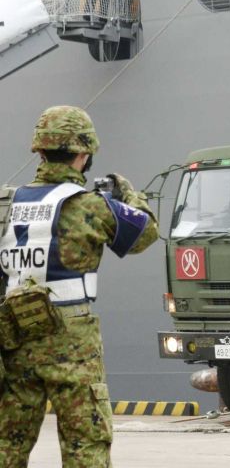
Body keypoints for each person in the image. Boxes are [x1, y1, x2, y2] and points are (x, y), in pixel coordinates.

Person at [0, 106, 159, 466]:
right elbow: (145, 233)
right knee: (85, 445)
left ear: (39, 151)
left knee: (7, 445)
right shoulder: (92, 206)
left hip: (14, 341)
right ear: (84, 154)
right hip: (72, 343)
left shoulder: (6, 204)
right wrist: (128, 194)